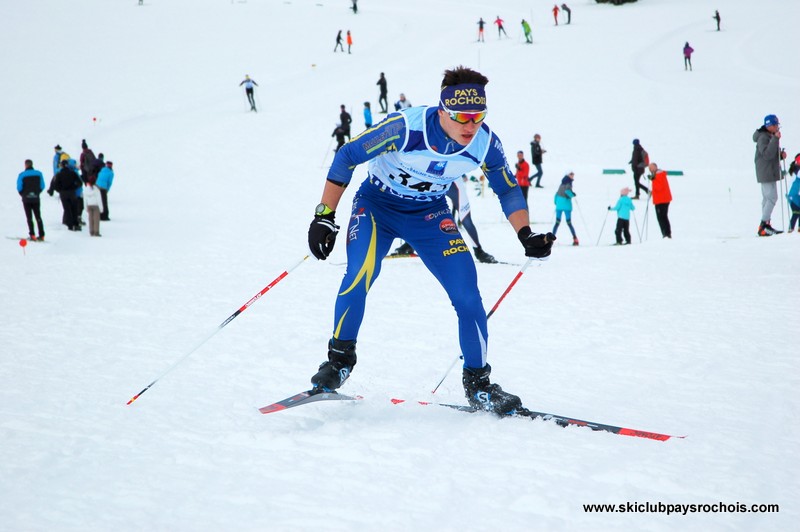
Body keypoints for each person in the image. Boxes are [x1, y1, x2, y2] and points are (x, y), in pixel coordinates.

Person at [306, 66, 555, 415]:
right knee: (359, 274)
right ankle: (339, 360)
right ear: (442, 111)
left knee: (468, 295)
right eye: (462, 118)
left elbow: (507, 188)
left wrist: (525, 233)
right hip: (377, 206)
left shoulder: (484, 142)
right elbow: (348, 155)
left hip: (430, 215)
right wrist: (324, 215)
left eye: (478, 117)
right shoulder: (405, 128)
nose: (471, 126)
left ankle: (478, 383)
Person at [391, 175, 499, 264]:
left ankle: (478, 251)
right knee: (419, 211)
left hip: (453, 183)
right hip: (433, 181)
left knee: (465, 218)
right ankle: (410, 244)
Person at [754, 114, 787, 236]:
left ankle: (765, 224)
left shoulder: (769, 136)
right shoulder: (763, 137)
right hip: (766, 172)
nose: (777, 127)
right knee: (772, 197)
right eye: (776, 125)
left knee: (767, 198)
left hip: (768, 171)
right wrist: (775, 139)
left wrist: (780, 155)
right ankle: (763, 224)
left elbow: (771, 153)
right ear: (770, 125)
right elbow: (766, 155)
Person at [17, 159, 46, 241]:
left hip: (26, 199)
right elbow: (42, 185)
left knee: (29, 217)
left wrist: (23, 194)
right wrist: (37, 192)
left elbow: (19, 187)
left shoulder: (22, 175)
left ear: (25, 165)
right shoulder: (39, 173)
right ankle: (42, 235)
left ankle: (32, 234)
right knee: (38, 216)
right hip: (36, 198)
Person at [52, 159, 82, 231]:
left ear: (61, 166)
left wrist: (60, 190)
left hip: (63, 194)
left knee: (67, 209)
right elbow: (80, 182)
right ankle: (76, 224)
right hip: (72, 193)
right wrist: (74, 187)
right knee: (74, 208)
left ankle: (70, 225)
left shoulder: (59, 174)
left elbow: (55, 185)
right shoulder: (72, 173)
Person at [647, 162, 672, 238]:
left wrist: (653, 180)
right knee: (663, 217)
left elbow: (658, 187)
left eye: (651, 168)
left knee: (661, 217)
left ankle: (666, 233)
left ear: (655, 167)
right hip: (663, 199)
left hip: (661, 200)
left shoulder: (658, 175)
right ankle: (667, 233)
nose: (650, 170)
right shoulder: (659, 175)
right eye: (649, 169)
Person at [553, 171, 578, 245]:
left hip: (559, 205)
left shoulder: (562, 182)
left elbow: (557, 193)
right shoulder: (569, 183)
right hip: (566, 205)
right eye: (571, 174)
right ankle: (575, 238)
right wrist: (572, 194)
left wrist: (556, 202)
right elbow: (567, 192)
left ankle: (551, 239)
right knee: (569, 223)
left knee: (557, 223)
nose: (572, 175)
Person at [787, 154, 800, 233]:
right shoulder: (797, 170)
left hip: (797, 196)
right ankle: (790, 229)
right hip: (793, 196)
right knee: (796, 212)